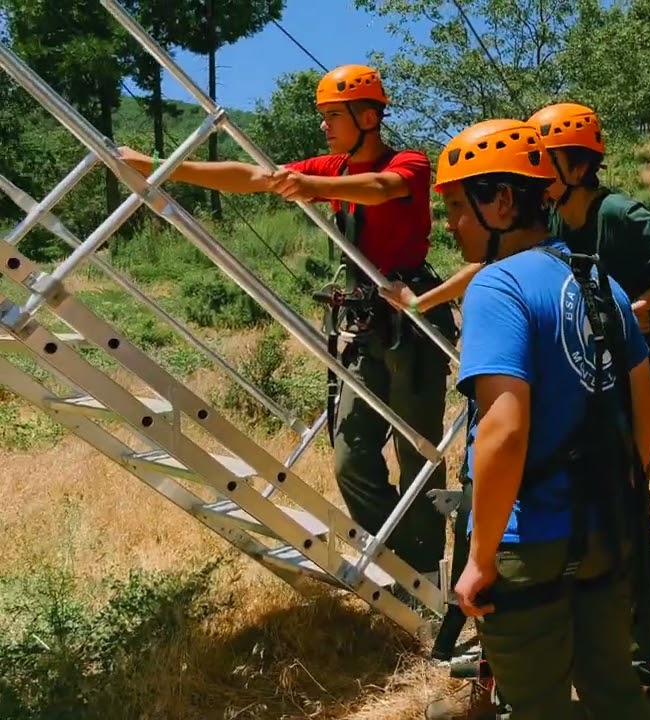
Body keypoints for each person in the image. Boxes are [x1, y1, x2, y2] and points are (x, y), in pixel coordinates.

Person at [115, 63, 467, 596]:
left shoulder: (408, 162)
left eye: (334, 117)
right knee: (351, 455)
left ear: (369, 116)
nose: (325, 127)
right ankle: (393, 559)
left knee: (416, 450)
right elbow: (253, 175)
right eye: (323, 117)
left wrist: (312, 183)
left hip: (409, 321)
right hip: (360, 322)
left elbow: (380, 188)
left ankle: (424, 570)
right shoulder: (329, 165)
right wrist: (163, 168)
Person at [424, 117, 650, 720]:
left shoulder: (496, 287)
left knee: (535, 704)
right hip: (605, 529)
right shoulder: (598, 279)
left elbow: (503, 428)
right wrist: (628, 490)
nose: (450, 225)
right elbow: (644, 403)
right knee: (614, 693)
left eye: (457, 206)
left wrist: (478, 560)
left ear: (502, 201)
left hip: (526, 544)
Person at [526, 100, 650, 693]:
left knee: (630, 517)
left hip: (625, 390)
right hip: (582, 388)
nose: (537, 173)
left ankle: (637, 666)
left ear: (575, 163)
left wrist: (637, 308)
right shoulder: (556, 219)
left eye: (545, 160)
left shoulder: (615, 213)